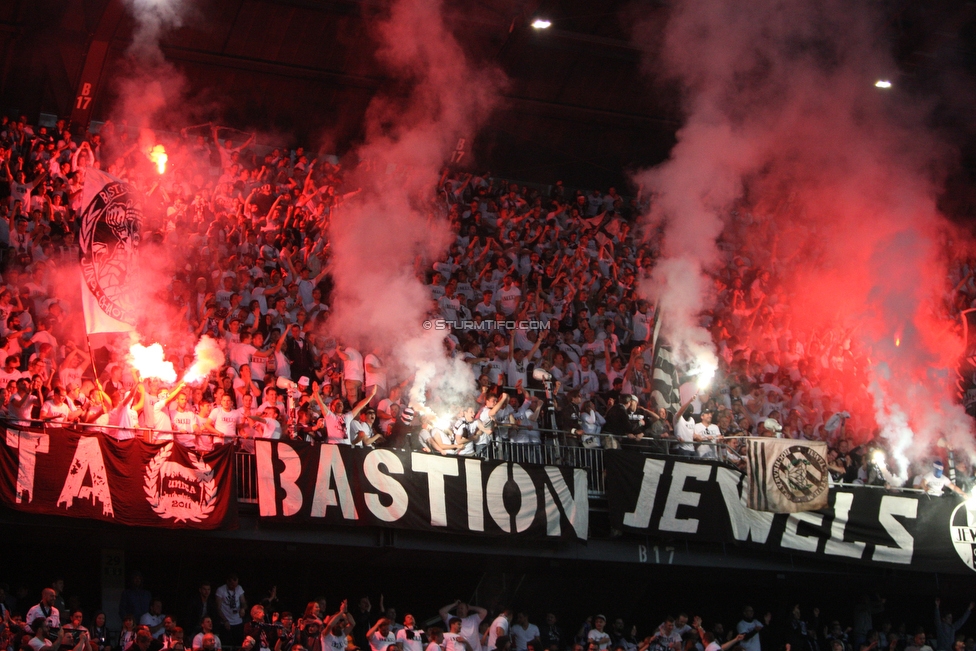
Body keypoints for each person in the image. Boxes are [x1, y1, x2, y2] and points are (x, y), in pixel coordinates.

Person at [215, 575, 246, 646]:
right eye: (231, 584)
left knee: (238, 644)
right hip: (226, 623)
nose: (233, 586)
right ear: (228, 581)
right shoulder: (221, 590)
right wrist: (225, 620)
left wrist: (243, 609)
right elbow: (218, 608)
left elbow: (244, 602)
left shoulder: (239, 588)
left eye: (235, 583)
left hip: (238, 622)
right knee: (226, 644)